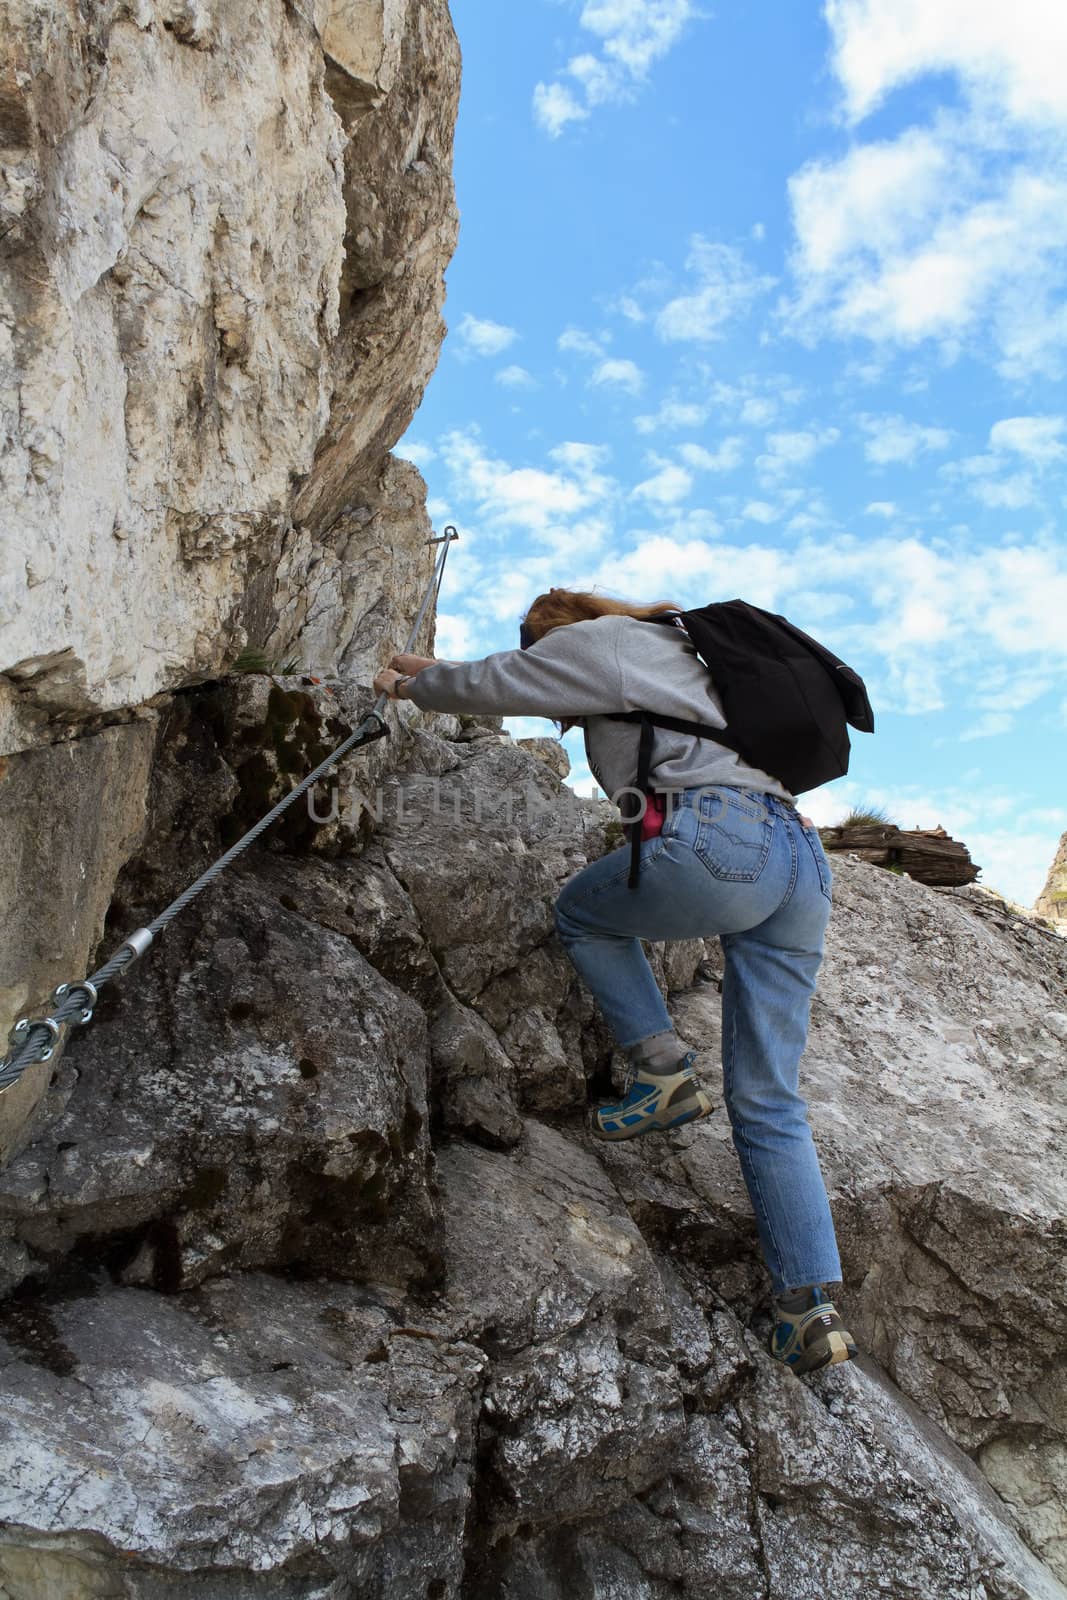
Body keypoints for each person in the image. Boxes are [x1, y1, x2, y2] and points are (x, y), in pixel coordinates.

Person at [373, 588, 857, 1374]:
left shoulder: (595, 640)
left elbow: (499, 681)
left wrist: (409, 686)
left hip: (721, 843)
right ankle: (808, 1311)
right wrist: (440, 668)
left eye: (540, 654)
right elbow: (505, 677)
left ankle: (663, 1070)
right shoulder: (678, 652)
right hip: (800, 863)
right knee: (770, 1099)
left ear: (549, 634)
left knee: (584, 913)